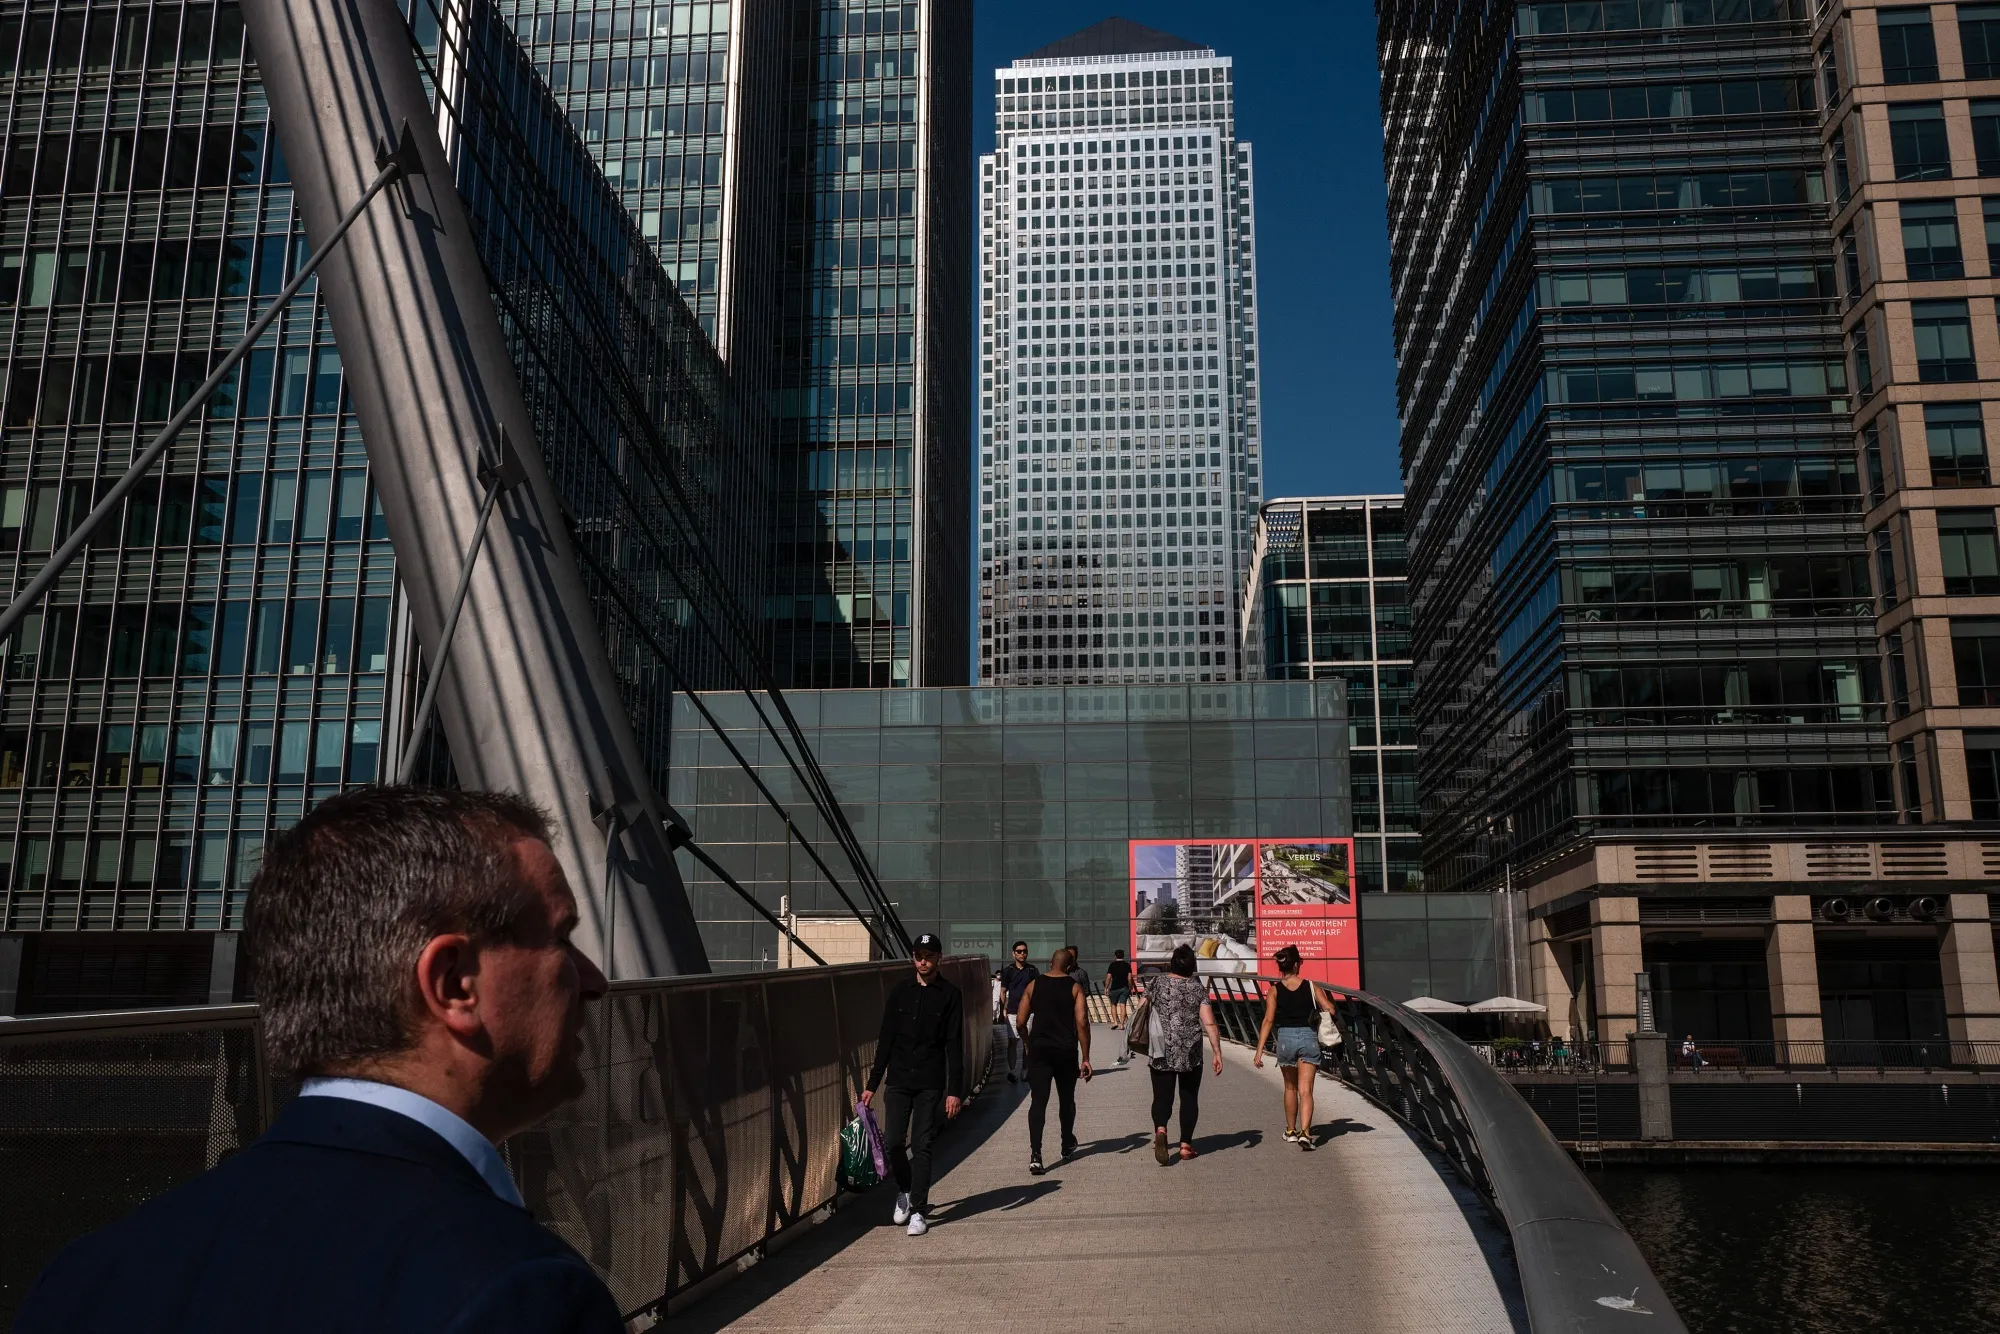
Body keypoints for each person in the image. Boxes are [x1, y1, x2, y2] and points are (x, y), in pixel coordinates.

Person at [16, 786, 621, 1334]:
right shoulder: (524, 1293)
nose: (594, 981)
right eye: (562, 940)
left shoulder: (85, 1275)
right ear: (454, 983)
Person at [861, 933, 964, 1237]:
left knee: (922, 1145)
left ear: (938, 959)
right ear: (912, 958)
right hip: (899, 1080)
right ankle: (904, 1191)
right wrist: (872, 1084)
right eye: (919, 955)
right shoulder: (899, 993)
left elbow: (955, 1046)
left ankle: (919, 1210)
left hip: (930, 1082)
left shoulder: (950, 995)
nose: (923, 961)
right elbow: (886, 1041)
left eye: (929, 956)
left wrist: (954, 1090)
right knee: (893, 1143)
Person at [1143, 944, 1223, 1165]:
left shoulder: (1158, 982)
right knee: (1189, 1097)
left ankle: (1161, 1129)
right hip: (1190, 1052)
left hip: (1161, 1049)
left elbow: (1143, 1007)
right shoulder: (1197, 987)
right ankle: (1186, 1145)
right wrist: (1217, 1052)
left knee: (1161, 1096)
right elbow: (1209, 1022)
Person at [1016, 946, 1091, 1174]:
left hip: (1039, 1051)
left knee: (1038, 1102)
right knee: (1066, 1100)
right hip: (1065, 1051)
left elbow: (1020, 1021)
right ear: (1069, 967)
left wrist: (1028, 1043)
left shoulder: (1034, 984)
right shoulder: (1075, 987)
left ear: (1050, 962)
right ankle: (1066, 1143)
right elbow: (1082, 1024)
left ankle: (1036, 1155)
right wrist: (1086, 1057)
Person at [1253, 944, 1336, 1150]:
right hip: (1308, 1038)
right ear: (1298, 964)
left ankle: (1290, 1131)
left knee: (1290, 1087)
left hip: (1285, 1040)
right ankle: (1306, 1133)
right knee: (1305, 1090)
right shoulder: (1311, 986)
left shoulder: (1274, 990)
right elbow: (1330, 1010)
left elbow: (1268, 1020)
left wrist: (1259, 1050)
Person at [999, 941, 1039, 1083]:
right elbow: (1003, 991)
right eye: (1019, 951)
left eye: (1025, 951)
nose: (1023, 953)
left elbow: (1037, 991)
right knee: (1012, 1041)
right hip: (1012, 1011)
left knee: (1027, 1042)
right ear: (1013, 953)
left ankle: (1025, 1070)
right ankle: (1012, 1071)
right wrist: (1003, 1008)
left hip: (1029, 1012)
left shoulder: (1033, 971)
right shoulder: (1008, 971)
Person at [1104, 949, 1134, 1031]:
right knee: (1123, 1005)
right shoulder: (1127, 965)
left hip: (1114, 988)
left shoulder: (1112, 965)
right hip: (1124, 987)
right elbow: (1129, 978)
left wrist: (1106, 987)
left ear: (1115, 956)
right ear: (1123, 956)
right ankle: (1122, 1024)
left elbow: (1108, 977)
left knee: (1113, 1005)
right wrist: (1131, 987)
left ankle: (1115, 1022)